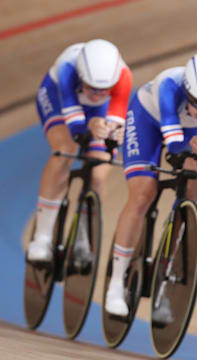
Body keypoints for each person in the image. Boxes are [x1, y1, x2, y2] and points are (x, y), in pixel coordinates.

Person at [104, 52, 197, 317]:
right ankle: (116, 282)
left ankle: (166, 265)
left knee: (195, 187)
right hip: (148, 121)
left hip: (189, 129)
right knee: (142, 194)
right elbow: (175, 147)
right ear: (187, 88)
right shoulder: (169, 86)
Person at [28, 39, 132, 263]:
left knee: (99, 170)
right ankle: (42, 237)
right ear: (81, 76)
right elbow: (75, 126)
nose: (96, 94)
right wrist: (91, 126)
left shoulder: (123, 76)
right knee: (64, 150)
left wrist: (113, 133)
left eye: (103, 90)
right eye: (92, 88)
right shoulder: (67, 69)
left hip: (99, 111)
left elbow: (115, 122)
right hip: (58, 98)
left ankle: (84, 234)